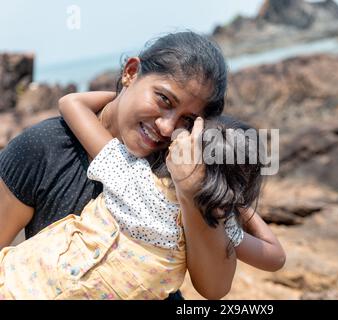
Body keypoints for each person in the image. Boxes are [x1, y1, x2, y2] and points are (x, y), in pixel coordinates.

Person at [0, 32, 282, 299]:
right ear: (131, 72)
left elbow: (214, 288)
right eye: (163, 99)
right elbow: (273, 255)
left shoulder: (181, 176)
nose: (166, 126)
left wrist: (195, 194)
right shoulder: (44, 147)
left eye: (187, 120)